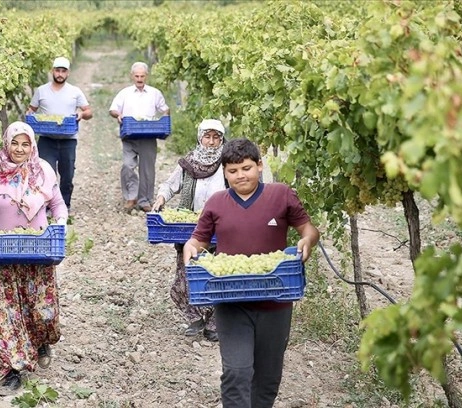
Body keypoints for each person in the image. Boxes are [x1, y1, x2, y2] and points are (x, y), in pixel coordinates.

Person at [182, 138, 320, 408]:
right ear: (224, 172)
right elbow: (198, 239)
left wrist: (307, 241)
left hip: (276, 301)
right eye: (232, 171)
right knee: (236, 371)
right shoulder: (216, 203)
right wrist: (191, 247)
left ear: (259, 165)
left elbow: (308, 228)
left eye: (246, 168)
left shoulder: (281, 195)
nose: (240, 176)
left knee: (268, 378)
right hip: (231, 301)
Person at [0, 121, 69, 394]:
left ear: (32, 145)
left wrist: (60, 222)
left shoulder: (43, 170)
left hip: (37, 252)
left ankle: (40, 340)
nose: (20, 149)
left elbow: (58, 205)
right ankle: (10, 370)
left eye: (25, 143)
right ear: (6, 143)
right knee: (3, 314)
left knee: (40, 310)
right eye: (15, 143)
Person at [151, 119, 228, 342]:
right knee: (187, 275)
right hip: (190, 230)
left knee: (216, 275)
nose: (211, 142)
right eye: (207, 137)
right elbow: (170, 185)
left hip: (219, 230)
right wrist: (161, 197)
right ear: (200, 137)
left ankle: (214, 322)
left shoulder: (226, 164)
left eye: (216, 137)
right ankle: (195, 316)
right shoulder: (189, 163)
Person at [27, 56, 93, 211]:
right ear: (53, 71)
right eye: (57, 70)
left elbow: (89, 111)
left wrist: (81, 115)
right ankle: (48, 205)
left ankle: (64, 205)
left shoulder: (75, 92)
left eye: (63, 71)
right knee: (46, 173)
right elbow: (32, 109)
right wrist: (30, 114)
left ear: (68, 73)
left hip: (68, 139)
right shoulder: (41, 91)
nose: (60, 74)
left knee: (67, 175)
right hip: (46, 138)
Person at [109, 61, 170, 213]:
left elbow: (165, 109)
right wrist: (119, 115)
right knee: (127, 166)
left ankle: (145, 200)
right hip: (129, 135)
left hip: (149, 135)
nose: (139, 79)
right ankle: (131, 196)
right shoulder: (125, 93)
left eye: (142, 76)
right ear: (132, 76)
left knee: (147, 170)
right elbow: (113, 110)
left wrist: (164, 120)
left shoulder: (155, 93)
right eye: (136, 76)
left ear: (146, 76)